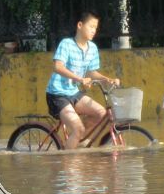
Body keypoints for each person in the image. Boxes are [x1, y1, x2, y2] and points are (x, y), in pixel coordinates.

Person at [46, 11, 120, 149]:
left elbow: (92, 72)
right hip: (57, 94)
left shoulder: (92, 48)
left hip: (74, 93)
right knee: (78, 129)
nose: (94, 31)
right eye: (91, 26)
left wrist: (107, 79)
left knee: (102, 114)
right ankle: (67, 165)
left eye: (96, 28)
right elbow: (58, 66)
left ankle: (77, 142)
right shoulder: (66, 44)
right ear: (80, 25)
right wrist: (80, 79)